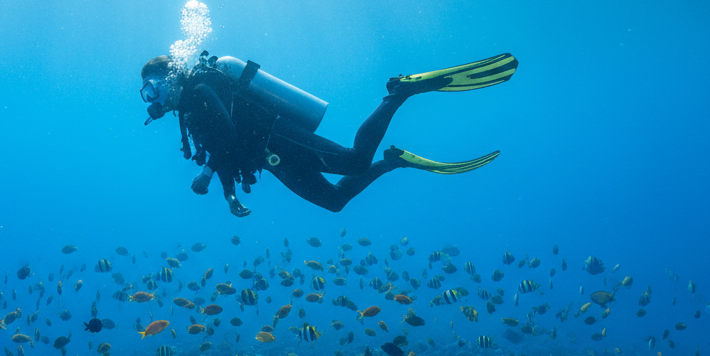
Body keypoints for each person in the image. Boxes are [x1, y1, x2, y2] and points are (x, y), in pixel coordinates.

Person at [139, 51, 518, 216]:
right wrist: (228, 194)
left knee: (354, 160)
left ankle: (397, 93)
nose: (150, 98)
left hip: (279, 139)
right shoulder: (188, 110)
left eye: (152, 87)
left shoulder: (202, 91)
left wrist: (207, 176)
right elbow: (221, 149)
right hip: (272, 161)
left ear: (169, 78)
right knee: (334, 202)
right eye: (146, 93)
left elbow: (224, 135)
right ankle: (392, 162)